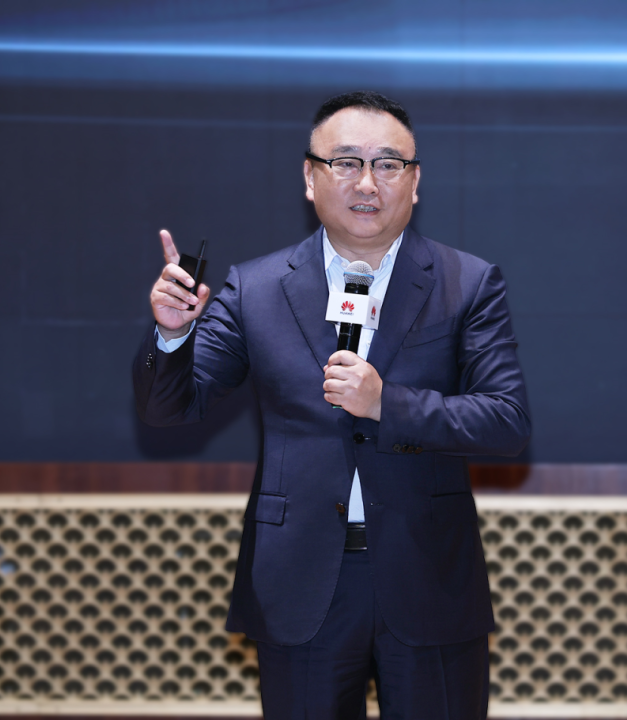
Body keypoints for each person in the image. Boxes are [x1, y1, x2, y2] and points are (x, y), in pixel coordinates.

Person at [134, 91, 530, 719]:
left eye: (388, 164)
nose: (367, 183)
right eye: (346, 162)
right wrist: (172, 335)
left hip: (427, 576)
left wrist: (386, 403)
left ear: (415, 182)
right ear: (309, 177)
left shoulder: (467, 283)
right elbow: (169, 408)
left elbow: (506, 422)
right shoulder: (256, 287)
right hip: (300, 581)